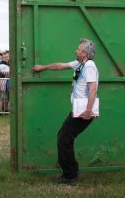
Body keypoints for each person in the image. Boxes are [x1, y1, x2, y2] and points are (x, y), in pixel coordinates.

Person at [32, 38, 99, 185]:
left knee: (64, 138)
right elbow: (60, 66)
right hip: (78, 110)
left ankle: (69, 175)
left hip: (83, 112)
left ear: (85, 53)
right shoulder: (80, 64)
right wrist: (43, 67)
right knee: (64, 137)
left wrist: (88, 110)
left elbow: (92, 88)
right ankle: (72, 171)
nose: (75, 50)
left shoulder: (89, 66)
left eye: (78, 49)